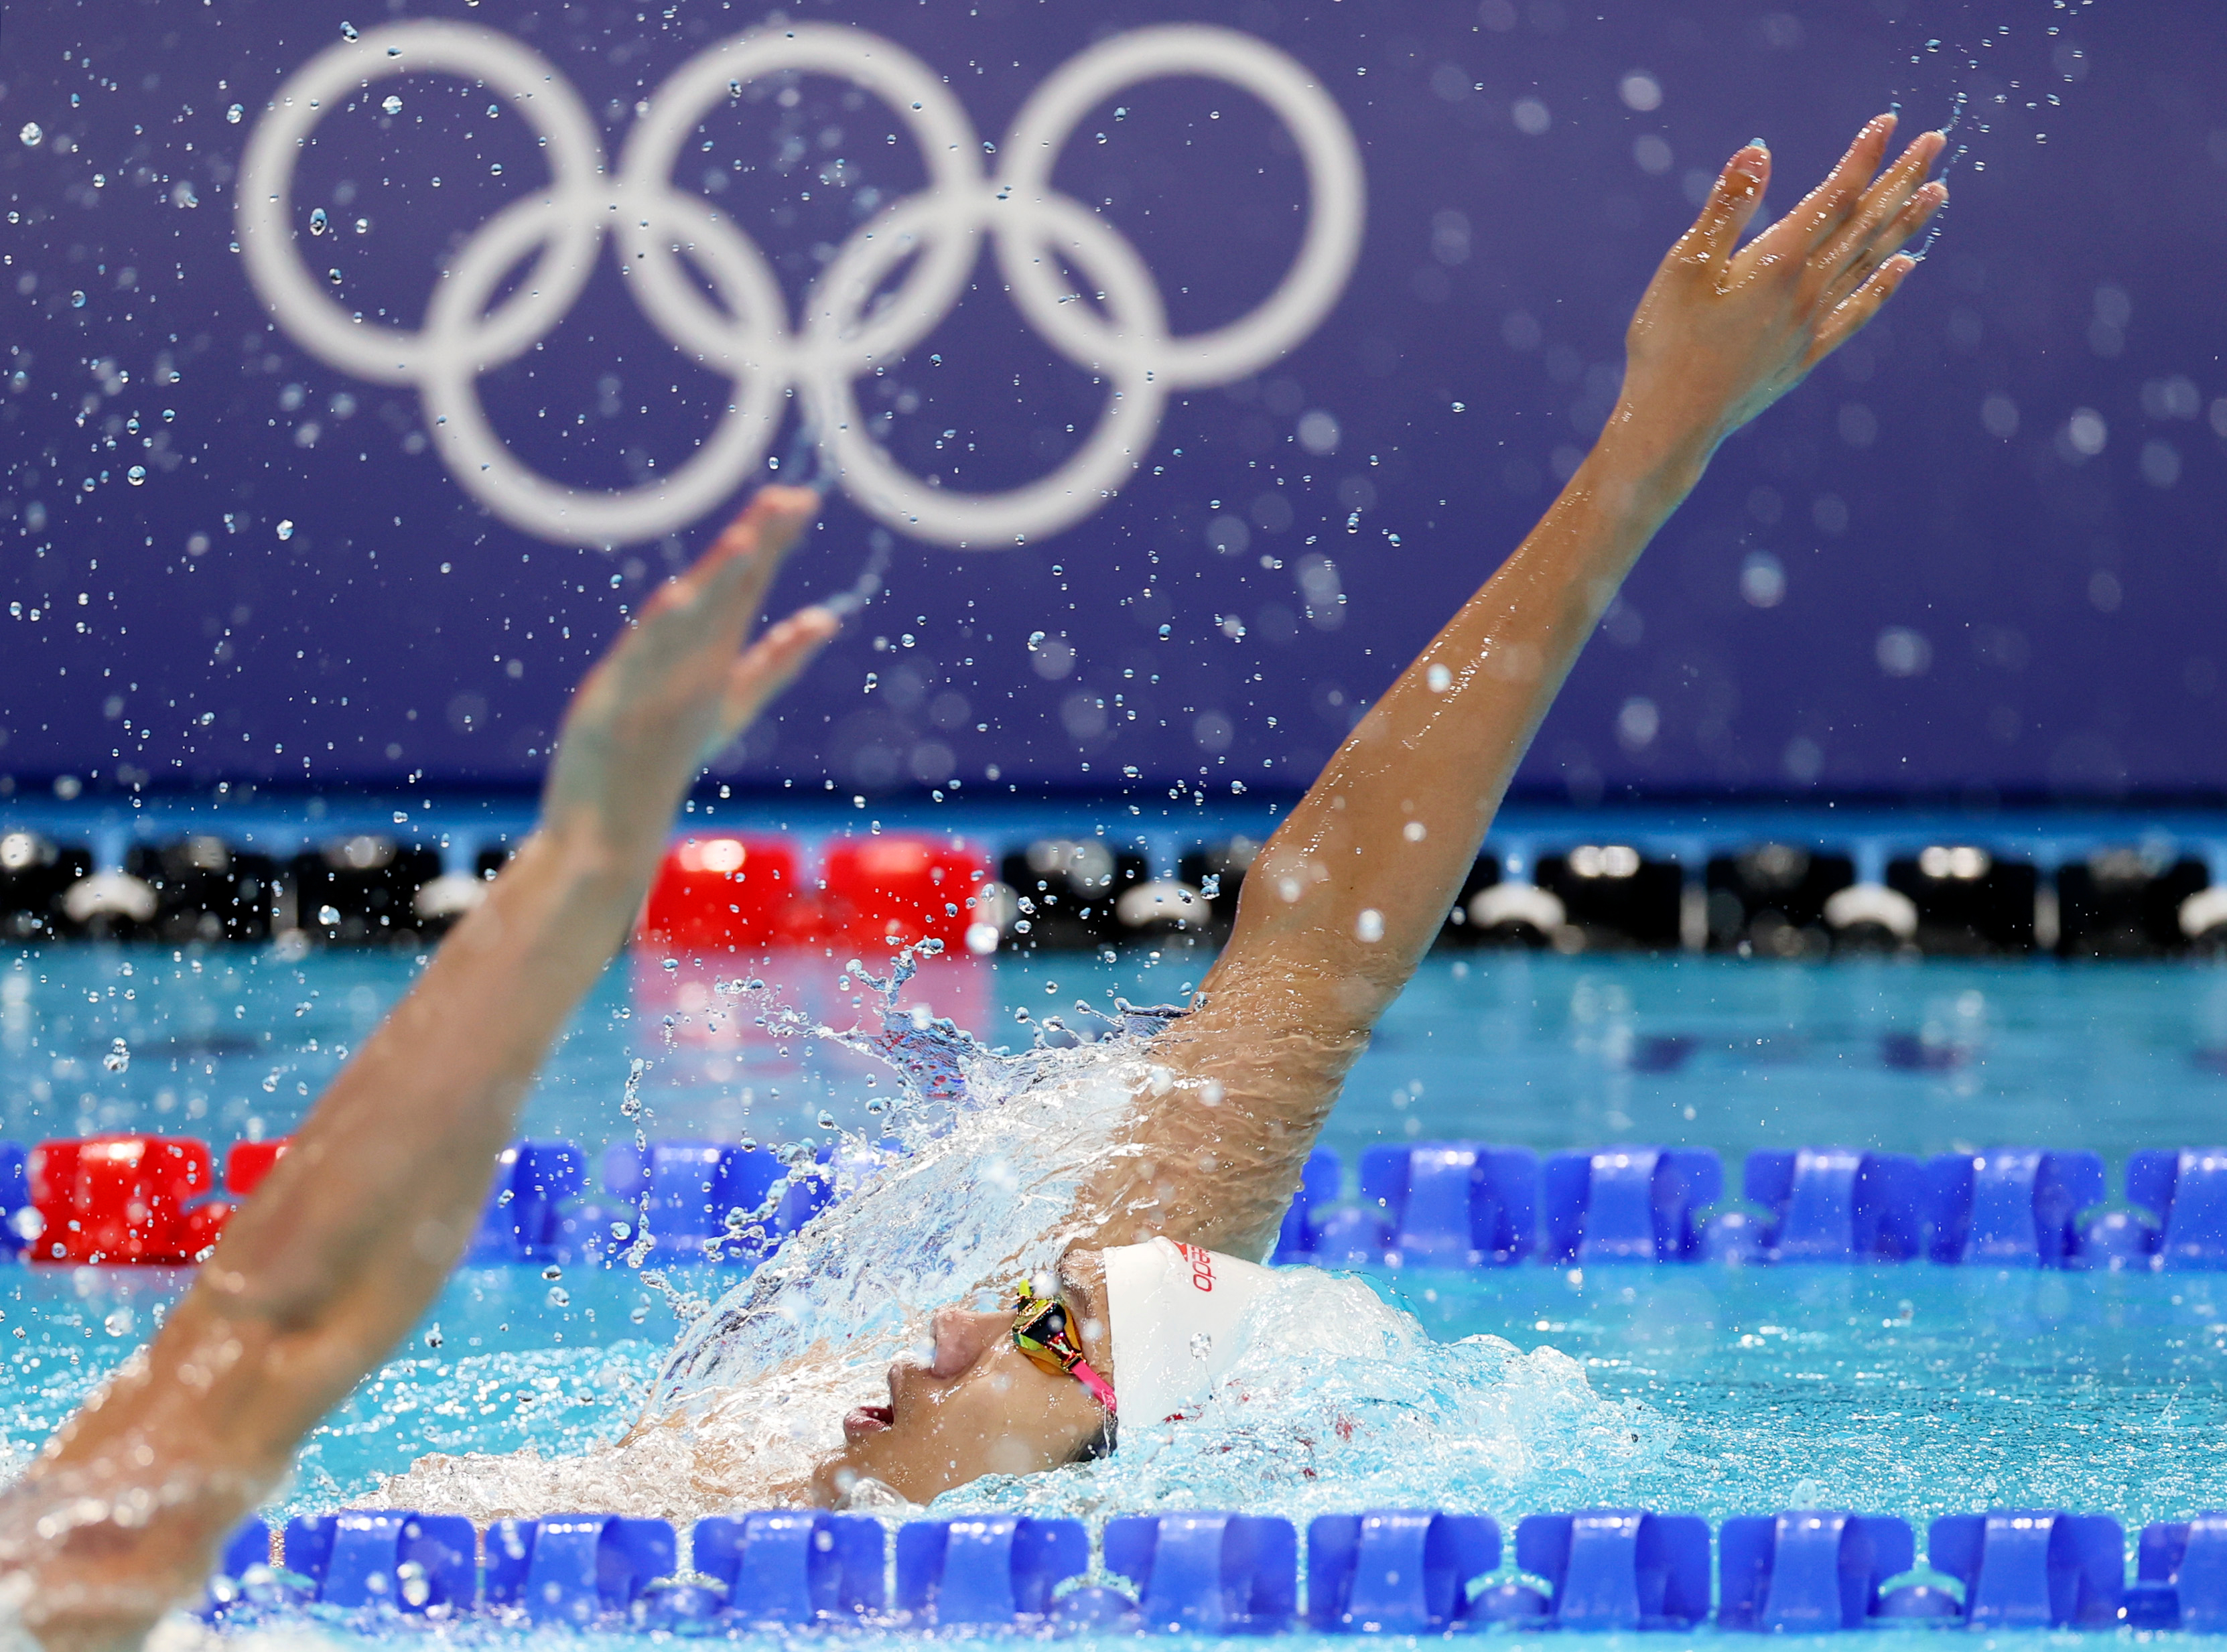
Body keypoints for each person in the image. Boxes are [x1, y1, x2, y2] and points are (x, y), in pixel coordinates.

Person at [0, 112, 1942, 1645]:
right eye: (1016, 1313)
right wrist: (1647, 448)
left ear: (1116, 1468)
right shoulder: (854, 1429)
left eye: (1033, 1341)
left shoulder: (939, 1562)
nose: (950, 1325)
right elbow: (1310, 954)